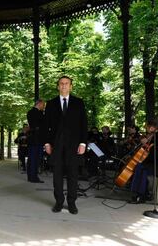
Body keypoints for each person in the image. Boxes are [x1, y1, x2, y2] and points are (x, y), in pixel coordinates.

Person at [44, 76, 88, 215]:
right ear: (58, 86)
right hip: (56, 145)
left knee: (73, 175)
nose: (64, 86)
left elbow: (83, 124)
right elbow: (46, 126)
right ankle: (58, 202)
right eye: (61, 84)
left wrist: (83, 143)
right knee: (57, 175)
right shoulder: (50, 104)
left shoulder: (78, 103)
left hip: (74, 146)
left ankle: (72, 203)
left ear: (71, 86)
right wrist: (47, 143)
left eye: (66, 83)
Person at [26, 99, 46, 183]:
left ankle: (31, 176)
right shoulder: (37, 113)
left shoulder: (30, 112)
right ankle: (33, 177)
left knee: (32, 158)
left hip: (33, 139)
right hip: (37, 139)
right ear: (39, 103)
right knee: (35, 158)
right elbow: (41, 124)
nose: (44, 106)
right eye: (43, 104)